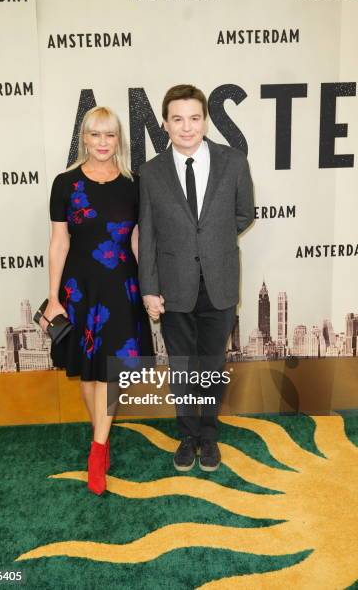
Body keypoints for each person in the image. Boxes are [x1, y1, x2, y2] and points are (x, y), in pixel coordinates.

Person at [138, 85, 254, 472]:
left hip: (219, 282)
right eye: (177, 119)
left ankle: (208, 434)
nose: (187, 127)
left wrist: (211, 242)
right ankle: (187, 434)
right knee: (182, 365)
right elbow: (148, 233)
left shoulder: (233, 161)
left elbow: (243, 214)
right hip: (173, 289)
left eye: (194, 118)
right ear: (165, 124)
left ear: (205, 119)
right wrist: (150, 288)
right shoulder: (151, 172)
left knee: (210, 363)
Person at [42, 106, 153, 495]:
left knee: (110, 372)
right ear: (83, 138)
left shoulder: (133, 184)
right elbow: (59, 241)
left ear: (118, 139)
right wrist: (53, 298)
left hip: (122, 286)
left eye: (109, 135)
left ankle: (98, 449)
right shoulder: (64, 183)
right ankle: (99, 436)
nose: (102, 143)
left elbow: (138, 240)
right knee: (89, 373)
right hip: (80, 288)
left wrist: (149, 286)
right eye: (95, 135)